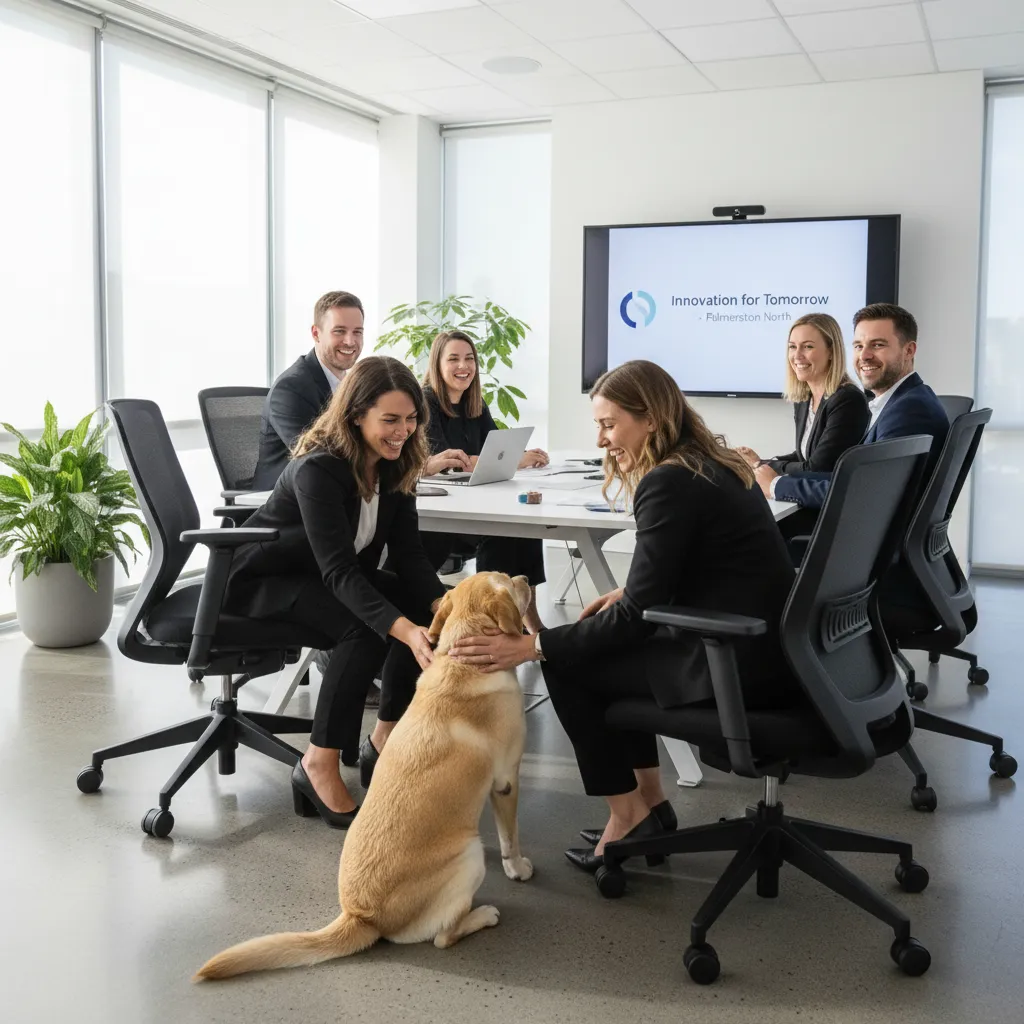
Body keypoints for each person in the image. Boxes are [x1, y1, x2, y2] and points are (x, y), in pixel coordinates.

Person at [445, 360, 797, 872]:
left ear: (650, 418)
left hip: (735, 662)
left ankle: (627, 810)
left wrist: (532, 646)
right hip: (767, 648)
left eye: (610, 424)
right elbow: (706, 563)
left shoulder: (670, 481)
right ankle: (650, 805)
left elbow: (635, 621)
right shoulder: (709, 461)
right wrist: (633, 591)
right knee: (593, 641)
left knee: (567, 661)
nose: (602, 440)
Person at [223, 356, 445, 829]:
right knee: (364, 631)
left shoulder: (395, 463)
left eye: (410, 419)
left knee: (415, 612)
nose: (402, 431)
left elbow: (410, 556)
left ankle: (384, 739)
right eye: (390, 420)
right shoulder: (318, 469)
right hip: (267, 580)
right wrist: (402, 630)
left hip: (321, 577)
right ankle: (317, 764)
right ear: (356, 414)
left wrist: (440, 606)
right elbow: (340, 571)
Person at [419, 329, 550, 635]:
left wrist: (519, 454)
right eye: (453, 359)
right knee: (502, 532)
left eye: (469, 359)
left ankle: (529, 621)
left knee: (525, 524)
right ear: (437, 364)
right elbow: (452, 462)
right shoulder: (425, 401)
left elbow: (493, 453)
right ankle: (492, 627)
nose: (463, 366)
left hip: (471, 500)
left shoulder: (474, 403)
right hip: (443, 513)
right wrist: (521, 458)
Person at [755, 304, 948, 508]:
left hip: (869, 537)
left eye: (878, 345)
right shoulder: (899, 402)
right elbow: (851, 479)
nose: (864, 356)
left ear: (909, 350)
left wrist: (777, 485)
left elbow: (863, 491)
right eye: (858, 346)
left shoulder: (909, 411)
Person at [736, 313, 869, 539]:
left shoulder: (847, 399)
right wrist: (759, 465)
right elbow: (802, 455)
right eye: (792, 347)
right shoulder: (805, 397)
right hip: (808, 506)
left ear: (831, 351)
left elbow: (818, 468)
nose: (797, 356)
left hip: (828, 516)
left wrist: (763, 465)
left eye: (807, 346)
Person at [251, 290, 365, 490]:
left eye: (357, 331)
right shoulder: (290, 389)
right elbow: (316, 457)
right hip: (288, 504)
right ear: (316, 333)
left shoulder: (354, 386)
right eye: (339, 331)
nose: (350, 341)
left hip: (333, 493)